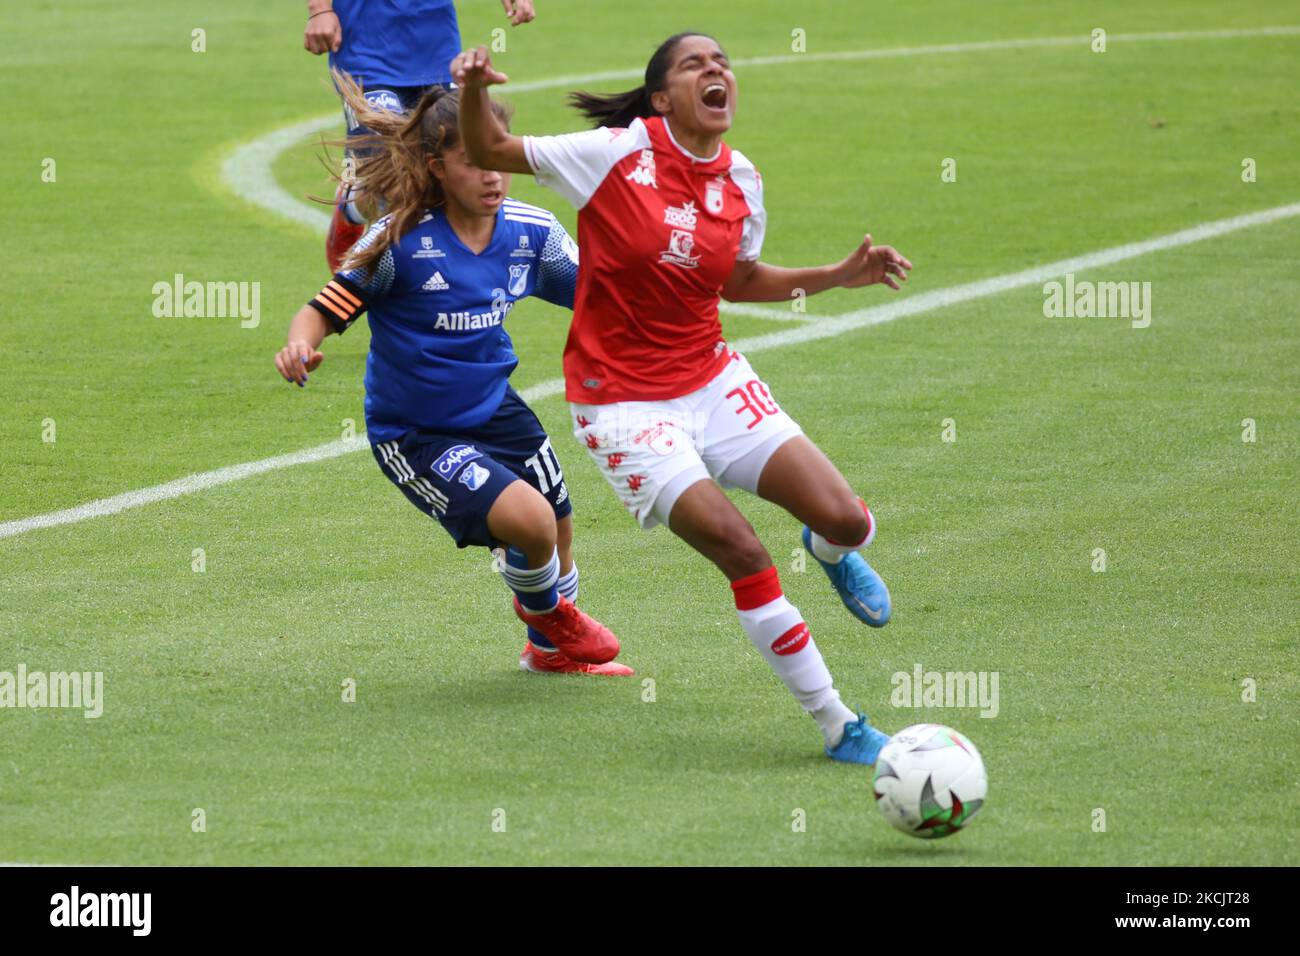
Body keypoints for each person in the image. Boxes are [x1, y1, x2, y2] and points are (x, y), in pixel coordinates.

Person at [452, 33, 914, 763]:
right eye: (696, 63)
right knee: (742, 550)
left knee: (848, 519)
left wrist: (835, 274)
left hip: (711, 380)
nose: (717, 69)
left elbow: (738, 280)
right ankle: (838, 724)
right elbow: (487, 151)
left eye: (723, 61)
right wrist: (475, 89)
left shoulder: (742, 181)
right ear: (663, 97)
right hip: (624, 408)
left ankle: (829, 549)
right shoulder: (613, 155)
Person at [274, 75, 630, 676]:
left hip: (495, 407)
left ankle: (548, 653)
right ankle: (551, 620)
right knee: (532, 524)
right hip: (414, 433)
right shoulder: (399, 241)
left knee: (560, 524)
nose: (493, 174)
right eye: (474, 162)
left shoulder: (531, 234)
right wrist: (298, 346)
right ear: (438, 168)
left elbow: (602, 295)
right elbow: (324, 309)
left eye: (500, 157)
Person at [303, 0, 537, 270]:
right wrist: (319, 9)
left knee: (449, 167)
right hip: (367, 51)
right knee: (388, 176)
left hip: (437, 48)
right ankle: (356, 212)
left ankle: (442, 278)